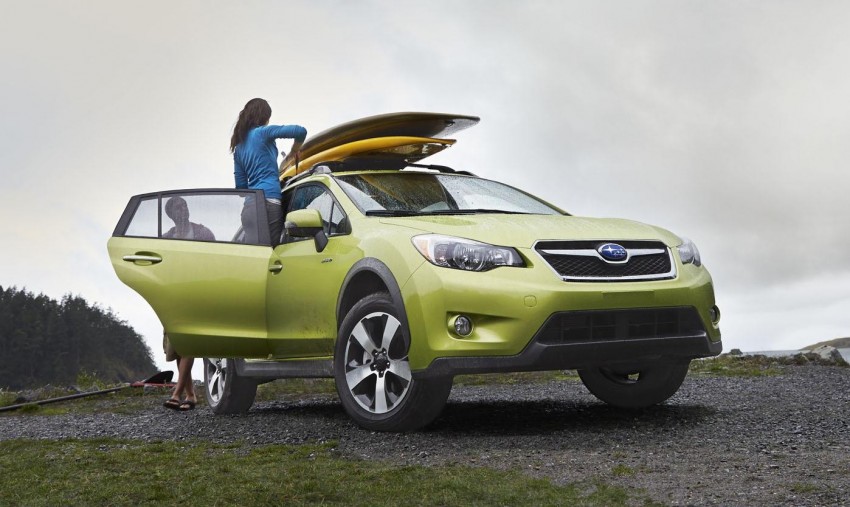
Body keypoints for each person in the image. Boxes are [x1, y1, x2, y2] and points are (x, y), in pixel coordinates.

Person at [160, 196, 215, 411]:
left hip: (197, 293)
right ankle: (191, 395)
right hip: (174, 297)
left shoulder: (203, 233)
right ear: (171, 214)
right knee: (176, 347)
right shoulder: (167, 238)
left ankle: (176, 394)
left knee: (189, 341)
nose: (183, 210)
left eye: (185, 206)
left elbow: (217, 260)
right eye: (178, 208)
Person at [231, 98, 307, 246]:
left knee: (255, 257)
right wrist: (293, 152)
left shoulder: (238, 148)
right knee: (271, 254)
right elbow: (301, 131)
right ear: (265, 117)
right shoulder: (263, 133)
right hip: (269, 202)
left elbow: (241, 189)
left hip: (249, 209)